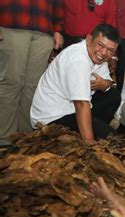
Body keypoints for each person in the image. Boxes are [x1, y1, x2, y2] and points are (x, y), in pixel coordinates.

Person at [30, 24, 121, 144]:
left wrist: (105, 84)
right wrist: (90, 142)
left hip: (72, 110)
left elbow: (108, 83)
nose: (104, 53)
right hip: (50, 120)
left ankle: (88, 130)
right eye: (101, 45)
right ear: (89, 40)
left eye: (110, 50)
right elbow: (81, 104)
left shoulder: (98, 56)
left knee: (112, 95)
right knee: (111, 139)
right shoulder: (77, 59)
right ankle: (87, 136)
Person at [0, 0, 64, 146]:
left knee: (32, 88)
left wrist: (57, 29)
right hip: (11, 23)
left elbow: (58, 3)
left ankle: (25, 138)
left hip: (43, 29)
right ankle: (3, 140)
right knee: (11, 82)